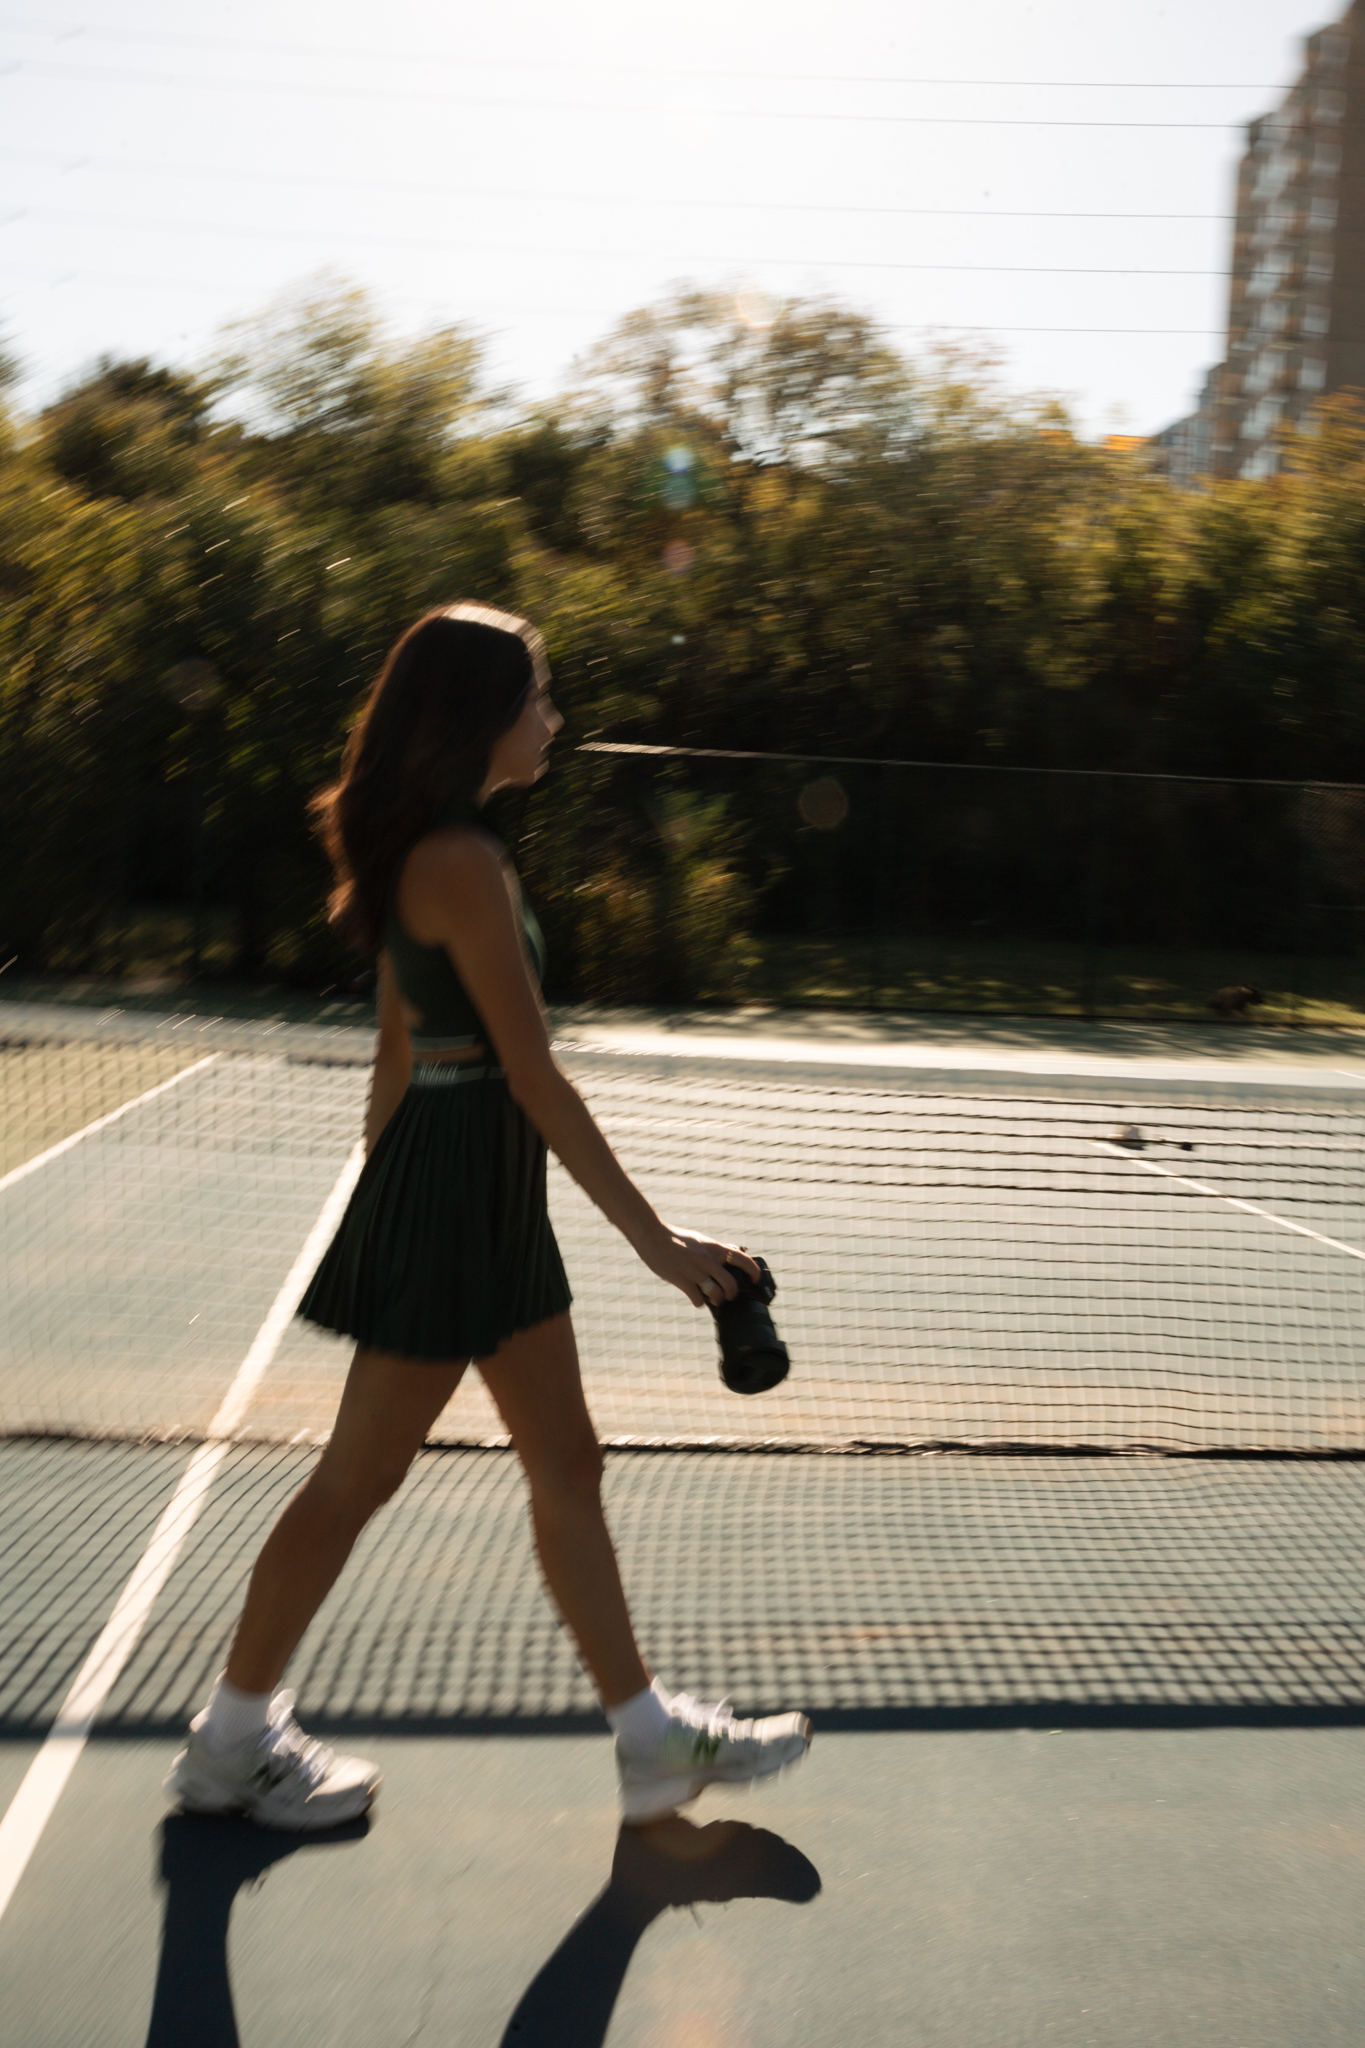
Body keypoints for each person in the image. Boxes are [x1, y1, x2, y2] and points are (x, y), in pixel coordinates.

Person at [165, 603, 810, 1831]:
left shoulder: (446, 852)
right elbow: (533, 1073)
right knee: (358, 1479)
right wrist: (656, 1242)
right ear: (480, 718)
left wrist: (391, 1190)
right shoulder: (462, 861)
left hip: (468, 1196)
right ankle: (232, 1739)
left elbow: (398, 1048)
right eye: (541, 697)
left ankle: (648, 1740)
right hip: (468, 1198)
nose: (555, 718)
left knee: (562, 1461)